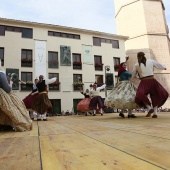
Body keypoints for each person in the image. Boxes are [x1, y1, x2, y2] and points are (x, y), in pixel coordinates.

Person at [131, 52, 169, 118]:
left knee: (140, 95)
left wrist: (138, 77)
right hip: (152, 80)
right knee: (156, 95)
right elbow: (159, 65)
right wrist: (164, 67)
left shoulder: (136, 65)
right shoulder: (150, 61)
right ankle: (153, 112)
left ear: (138, 57)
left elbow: (133, 75)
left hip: (144, 82)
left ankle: (151, 110)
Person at [0, 59, 32, 131]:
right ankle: (17, 123)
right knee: (12, 108)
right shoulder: (1, 74)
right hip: (2, 94)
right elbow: (7, 88)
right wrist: (10, 85)